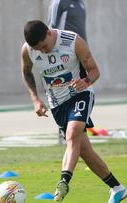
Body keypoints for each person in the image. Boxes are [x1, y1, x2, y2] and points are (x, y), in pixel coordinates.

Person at [21, 20, 127, 203]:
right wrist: (35, 99)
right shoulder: (28, 50)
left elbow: (94, 70)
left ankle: (64, 181)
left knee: (72, 133)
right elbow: (26, 71)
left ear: (48, 33)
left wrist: (86, 82)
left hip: (80, 94)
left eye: (44, 47)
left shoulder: (72, 41)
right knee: (84, 150)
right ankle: (117, 188)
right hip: (57, 104)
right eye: (39, 50)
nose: (43, 52)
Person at [48, 0, 88, 144]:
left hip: (80, 53)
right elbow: (52, 28)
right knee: (64, 94)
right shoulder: (59, 3)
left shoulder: (81, 3)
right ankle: (63, 132)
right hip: (64, 55)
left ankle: (79, 133)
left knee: (82, 91)